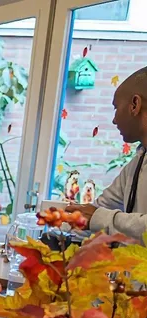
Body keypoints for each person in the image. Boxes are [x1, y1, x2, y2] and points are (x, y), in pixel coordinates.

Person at [67, 66, 147, 243]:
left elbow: (97, 216)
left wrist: (101, 219)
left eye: (116, 108)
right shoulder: (138, 161)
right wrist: (60, 226)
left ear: (135, 105)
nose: (114, 120)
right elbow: (98, 210)